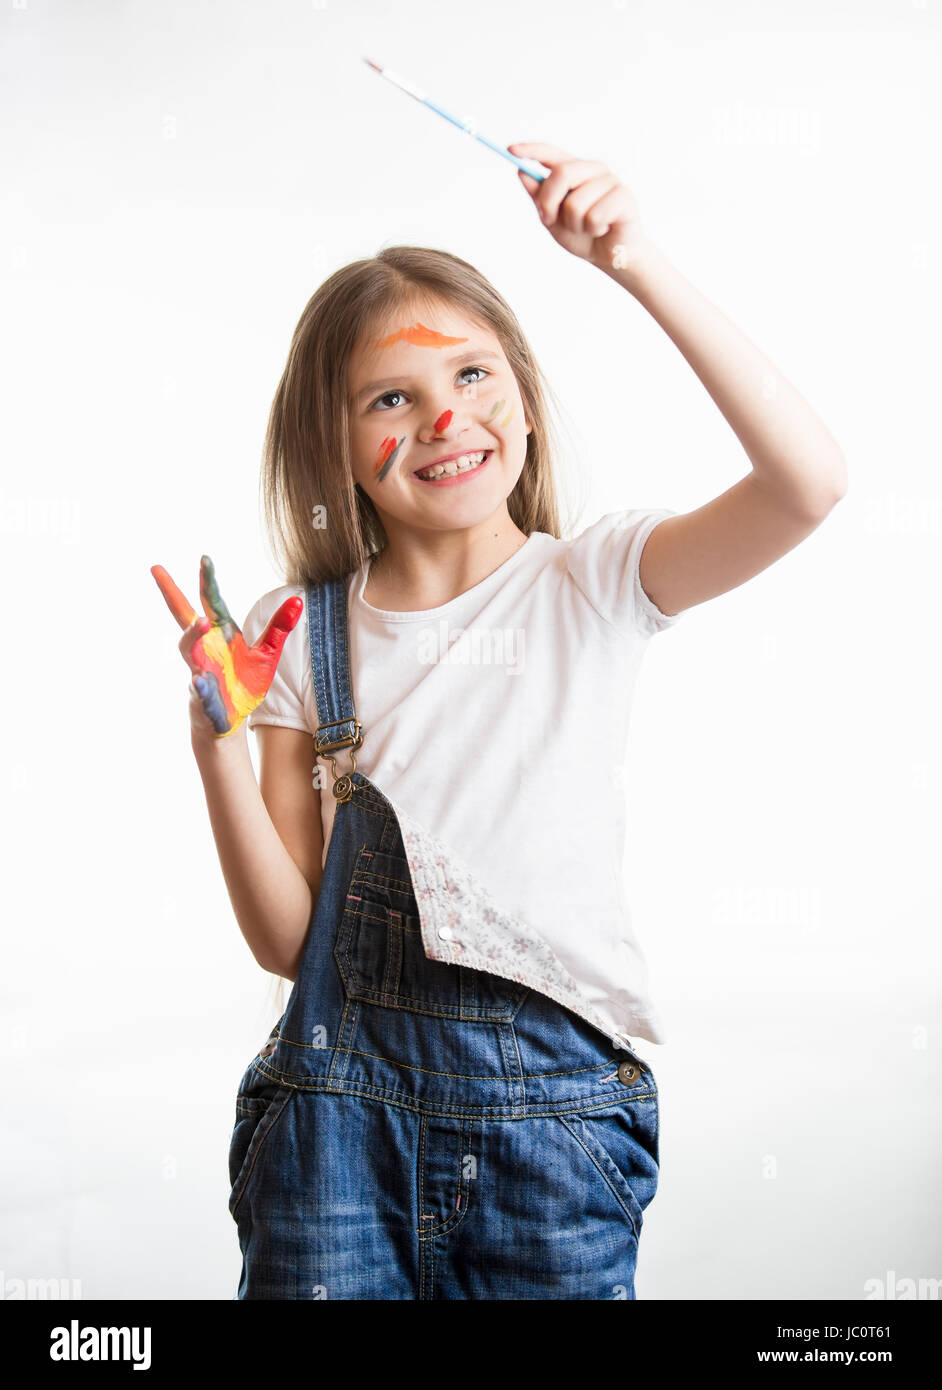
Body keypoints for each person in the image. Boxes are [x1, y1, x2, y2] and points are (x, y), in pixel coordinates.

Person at [153, 141, 847, 1299]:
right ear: (336, 443)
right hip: (334, 1138)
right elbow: (290, 945)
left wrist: (637, 264)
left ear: (523, 390)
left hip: (551, 1138)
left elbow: (808, 484)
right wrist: (215, 749)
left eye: (473, 376)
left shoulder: (596, 581)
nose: (445, 418)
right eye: (393, 397)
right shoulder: (287, 637)